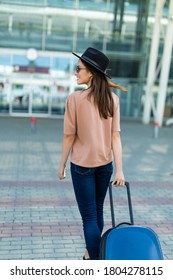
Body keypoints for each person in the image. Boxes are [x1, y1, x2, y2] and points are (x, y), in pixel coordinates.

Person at [57, 47, 127, 260]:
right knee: (97, 212)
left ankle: (96, 264)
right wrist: (120, 171)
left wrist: (61, 166)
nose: (76, 73)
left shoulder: (74, 99)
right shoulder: (112, 99)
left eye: (79, 69)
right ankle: (90, 254)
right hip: (105, 165)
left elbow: (69, 136)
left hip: (82, 166)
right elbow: (116, 137)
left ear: (92, 73)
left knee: (88, 217)